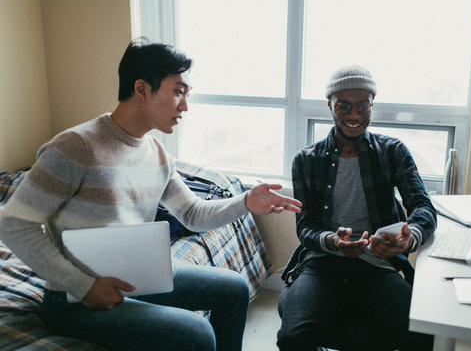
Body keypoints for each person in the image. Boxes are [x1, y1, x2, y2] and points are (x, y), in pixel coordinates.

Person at [0, 38, 302, 351]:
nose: (185, 106)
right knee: (195, 332)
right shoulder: (75, 147)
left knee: (234, 288)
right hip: (75, 299)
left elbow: (193, 214)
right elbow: (14, 224)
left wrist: (247, 201)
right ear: (142, 89)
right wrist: (84, 285)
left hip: (134, 277)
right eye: (178, 91)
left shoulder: (156, 153)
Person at [276, 65, 437, 351]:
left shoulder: (392, 151)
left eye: (363, 106)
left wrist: (408, 237)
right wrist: (331, 241)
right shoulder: (306, 160)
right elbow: (306, 226)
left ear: (372, 105)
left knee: (421, 334)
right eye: (344, 106)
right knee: (293, 337)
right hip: (322, 264)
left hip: (376, 266)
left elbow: (422, 206)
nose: (354, 115)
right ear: (330, 105)